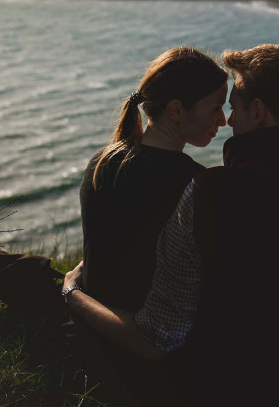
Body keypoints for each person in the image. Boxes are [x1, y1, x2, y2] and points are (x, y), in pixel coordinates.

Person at [64, 44, 279, 406]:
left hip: (220, 387)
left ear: (257, 112)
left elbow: (162, 335)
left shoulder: (208, 194)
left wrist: (72, 292)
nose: (227, 121)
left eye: (233, 107)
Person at [71, 46, 227, 402]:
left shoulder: (102, 161)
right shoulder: (195, 186)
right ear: (176, 110)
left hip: (92, 334)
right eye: (216, 107)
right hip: (151, 360)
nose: (223, 120)